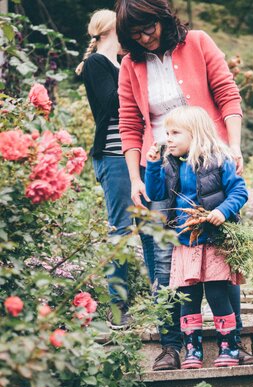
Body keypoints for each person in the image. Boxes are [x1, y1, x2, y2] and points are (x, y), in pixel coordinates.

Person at [115, 0, 253, 369]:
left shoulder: (197, 42)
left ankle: (234, 342)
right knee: (165, 261)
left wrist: (234, 147)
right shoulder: (131, 65)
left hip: (209, 160)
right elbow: (130, 125)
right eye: (135, 34)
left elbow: (228, 94)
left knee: (222, 254)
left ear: (162, 19)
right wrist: (135, 177)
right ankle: (173, 347)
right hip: (160, 168)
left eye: (150, 29)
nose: (145, 39)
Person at [145, 106, 248, 368]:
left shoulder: (218, 160)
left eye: (175, 133)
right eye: (167, 132)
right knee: (187, 297)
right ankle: (193, 350)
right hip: (185, 243)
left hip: (213, 241)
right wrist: (153, 165)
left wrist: (222, 211)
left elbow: (239, 191)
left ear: (196, 134)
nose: (168, 138)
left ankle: (230, 347)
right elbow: (155, 194)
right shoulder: (169, 165)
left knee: (216, 293)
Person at [76, 9, 155, 328]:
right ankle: (117, 309)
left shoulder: (123, 65)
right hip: (112, 155)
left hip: (139, 155)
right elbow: (112, 105)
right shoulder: (97, 64)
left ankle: (160, 297)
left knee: (151, 227)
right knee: (121, 230)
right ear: (111, 30)